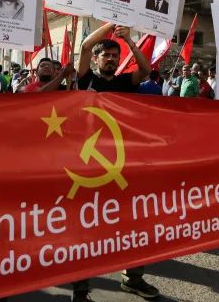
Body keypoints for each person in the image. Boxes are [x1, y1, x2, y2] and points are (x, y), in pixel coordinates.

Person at [74, 22, 157, 301]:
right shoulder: (85, 80)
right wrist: (113, 22)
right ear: (97, 59)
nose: (110, 59)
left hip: (123, 164)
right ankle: (81, 290)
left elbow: (145, 71)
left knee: (132, 225)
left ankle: (132, 279)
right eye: (105, 56)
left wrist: (130, 41)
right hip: (90, 168)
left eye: (114, 56)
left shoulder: (125, 82)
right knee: (85, 231)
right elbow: (85, 45)